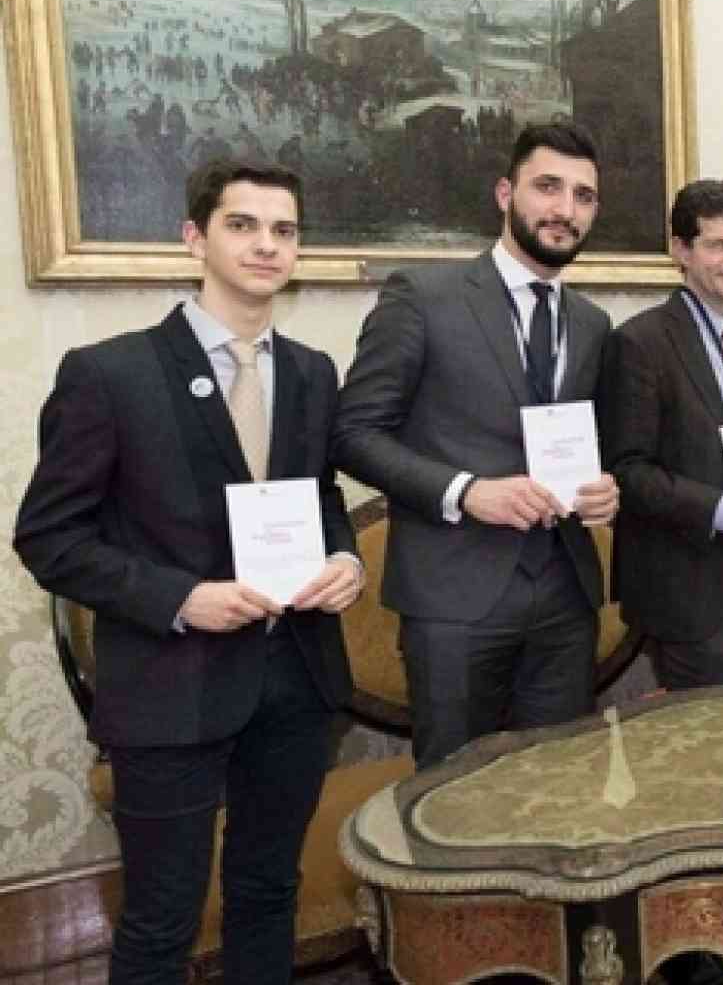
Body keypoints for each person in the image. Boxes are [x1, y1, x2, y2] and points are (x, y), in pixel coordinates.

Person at [15, 159, 365, 984]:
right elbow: (49, 538)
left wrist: (345, 557)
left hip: (296, 680)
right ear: (194, 239)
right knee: (160, 922)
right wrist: (182, 599)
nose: (266, 245)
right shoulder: (110, 374)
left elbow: (320, 495)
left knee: (268, 892)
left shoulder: (312, 371)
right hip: (171, 690)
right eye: (242, 225)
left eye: (284, 230)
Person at [333, 122, 618, 769]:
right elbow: (352, 433)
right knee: (452, 797)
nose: (565, 209)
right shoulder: (421, 298)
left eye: (583, 196)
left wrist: (604, 488)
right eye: (548, 187)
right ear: (504, 194)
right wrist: (466, 491)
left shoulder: (591, 323)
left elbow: (582, 440)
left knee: (557, 787)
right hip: (454, 597)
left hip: (566, 596)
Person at [601, 179, 723, 690]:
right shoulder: (640, 343)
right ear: (681, 251)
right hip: (692, 594)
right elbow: (628, 472)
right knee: (708, 740)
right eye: (718, 245)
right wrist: (722, 510)